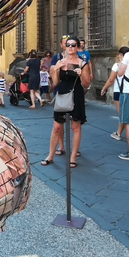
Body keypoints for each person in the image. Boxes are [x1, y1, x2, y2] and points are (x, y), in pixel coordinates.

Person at [41, 36, 89, 167]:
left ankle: (73, 157)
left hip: (76, 95)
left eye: (73, 45)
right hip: (62, 94)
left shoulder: (82, 64)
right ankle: (50, 156)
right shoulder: (60, 62)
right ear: (64, 46)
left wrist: (81, 74)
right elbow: (56, 83)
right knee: (56, 127)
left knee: (75, 127)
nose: (70, 47)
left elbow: (86, 84)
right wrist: (56, 69)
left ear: (77, 47)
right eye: (68, 45)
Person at [101, 46, 129, 140]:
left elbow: (111, 79)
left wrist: (104, 88)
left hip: (119, 91)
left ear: (120, 54)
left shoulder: (117, 65)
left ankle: (123, 133)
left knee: (122, 114)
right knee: (127, 113)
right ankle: (119, 132)